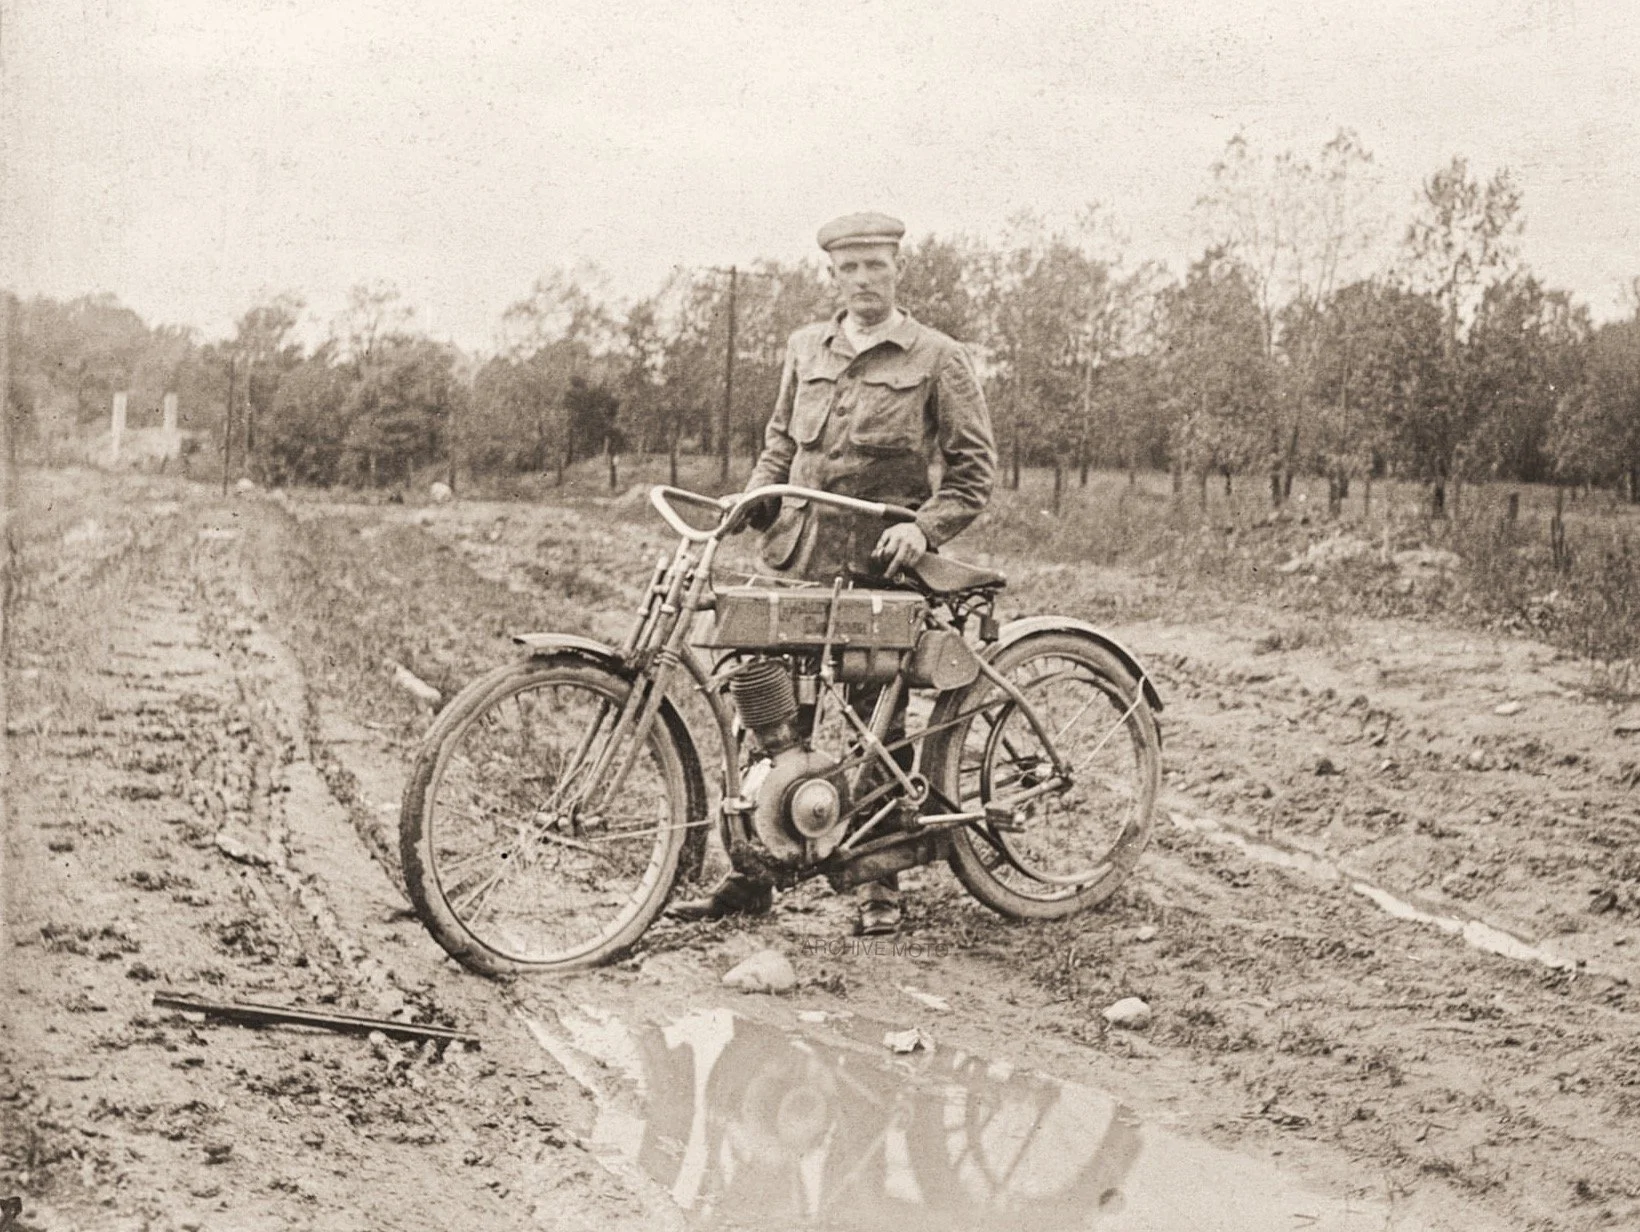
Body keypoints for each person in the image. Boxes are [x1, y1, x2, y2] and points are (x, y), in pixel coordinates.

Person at [670, 211, 997, 935]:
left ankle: (880, 885)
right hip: (798, 562)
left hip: (881, 570)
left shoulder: (936, 357)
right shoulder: (803, 348)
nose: (862, 280)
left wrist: (924, 527)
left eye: (875, 266)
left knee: (879, 722)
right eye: (849, 269)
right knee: (769, 715)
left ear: (896, 270)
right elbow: (781, 445)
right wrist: (751, 503)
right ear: (832, 276)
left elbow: (975, 476)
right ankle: (753, 874)